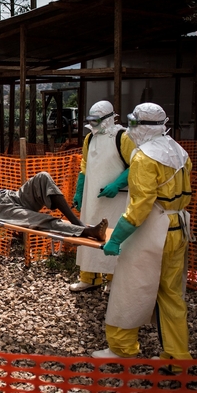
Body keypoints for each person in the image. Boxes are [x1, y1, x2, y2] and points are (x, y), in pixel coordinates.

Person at [92, 103, 193, 365]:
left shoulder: (144, 157)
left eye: (134, 123)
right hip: (178, 228)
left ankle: (122, 348)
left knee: (129, 288)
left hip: (150, 231)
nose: (130, 128)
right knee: (171, 295)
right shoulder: (179, 152)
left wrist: (116, 239)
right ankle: (177, 357)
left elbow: (140, 207)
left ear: (143, 126)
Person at [70, 100, 136, 293]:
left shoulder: (123, 137)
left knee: (114, 235)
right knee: (89, 233)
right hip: (92, 199)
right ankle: (89, 277)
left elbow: (136, 164)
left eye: (96, 120)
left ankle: (114, 280)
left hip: (116, 201)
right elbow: (85, 166)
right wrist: (79, 191)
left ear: (108, 118)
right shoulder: (89, 138)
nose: (93, 124)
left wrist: (117, 184)